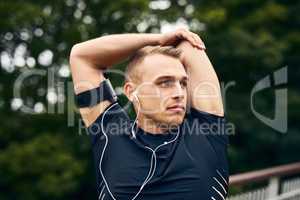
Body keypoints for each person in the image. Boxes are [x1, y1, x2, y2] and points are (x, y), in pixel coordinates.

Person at [69, 28, 229, 200]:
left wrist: (167, 45)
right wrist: (159, 39)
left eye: (183, 83)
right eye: (164, 83)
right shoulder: (110, 136)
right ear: (131, 92)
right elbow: (81, 56)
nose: (179, 93)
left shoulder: (206, 131)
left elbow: (189, 45)